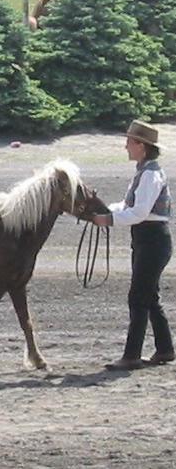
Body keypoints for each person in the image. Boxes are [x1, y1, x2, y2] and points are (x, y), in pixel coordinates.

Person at [93, 121, 175, 371]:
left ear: (141, 146)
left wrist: (107, 220)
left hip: (151, 239)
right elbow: (130, 207)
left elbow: (139, 212)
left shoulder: (149, 174)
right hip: (148, 238)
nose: (126, 146)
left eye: (129, 142)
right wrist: (107, 210)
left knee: (138, 298)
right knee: (148, 296)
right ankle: (165, 349)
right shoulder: (145, 170)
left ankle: (132, 356)